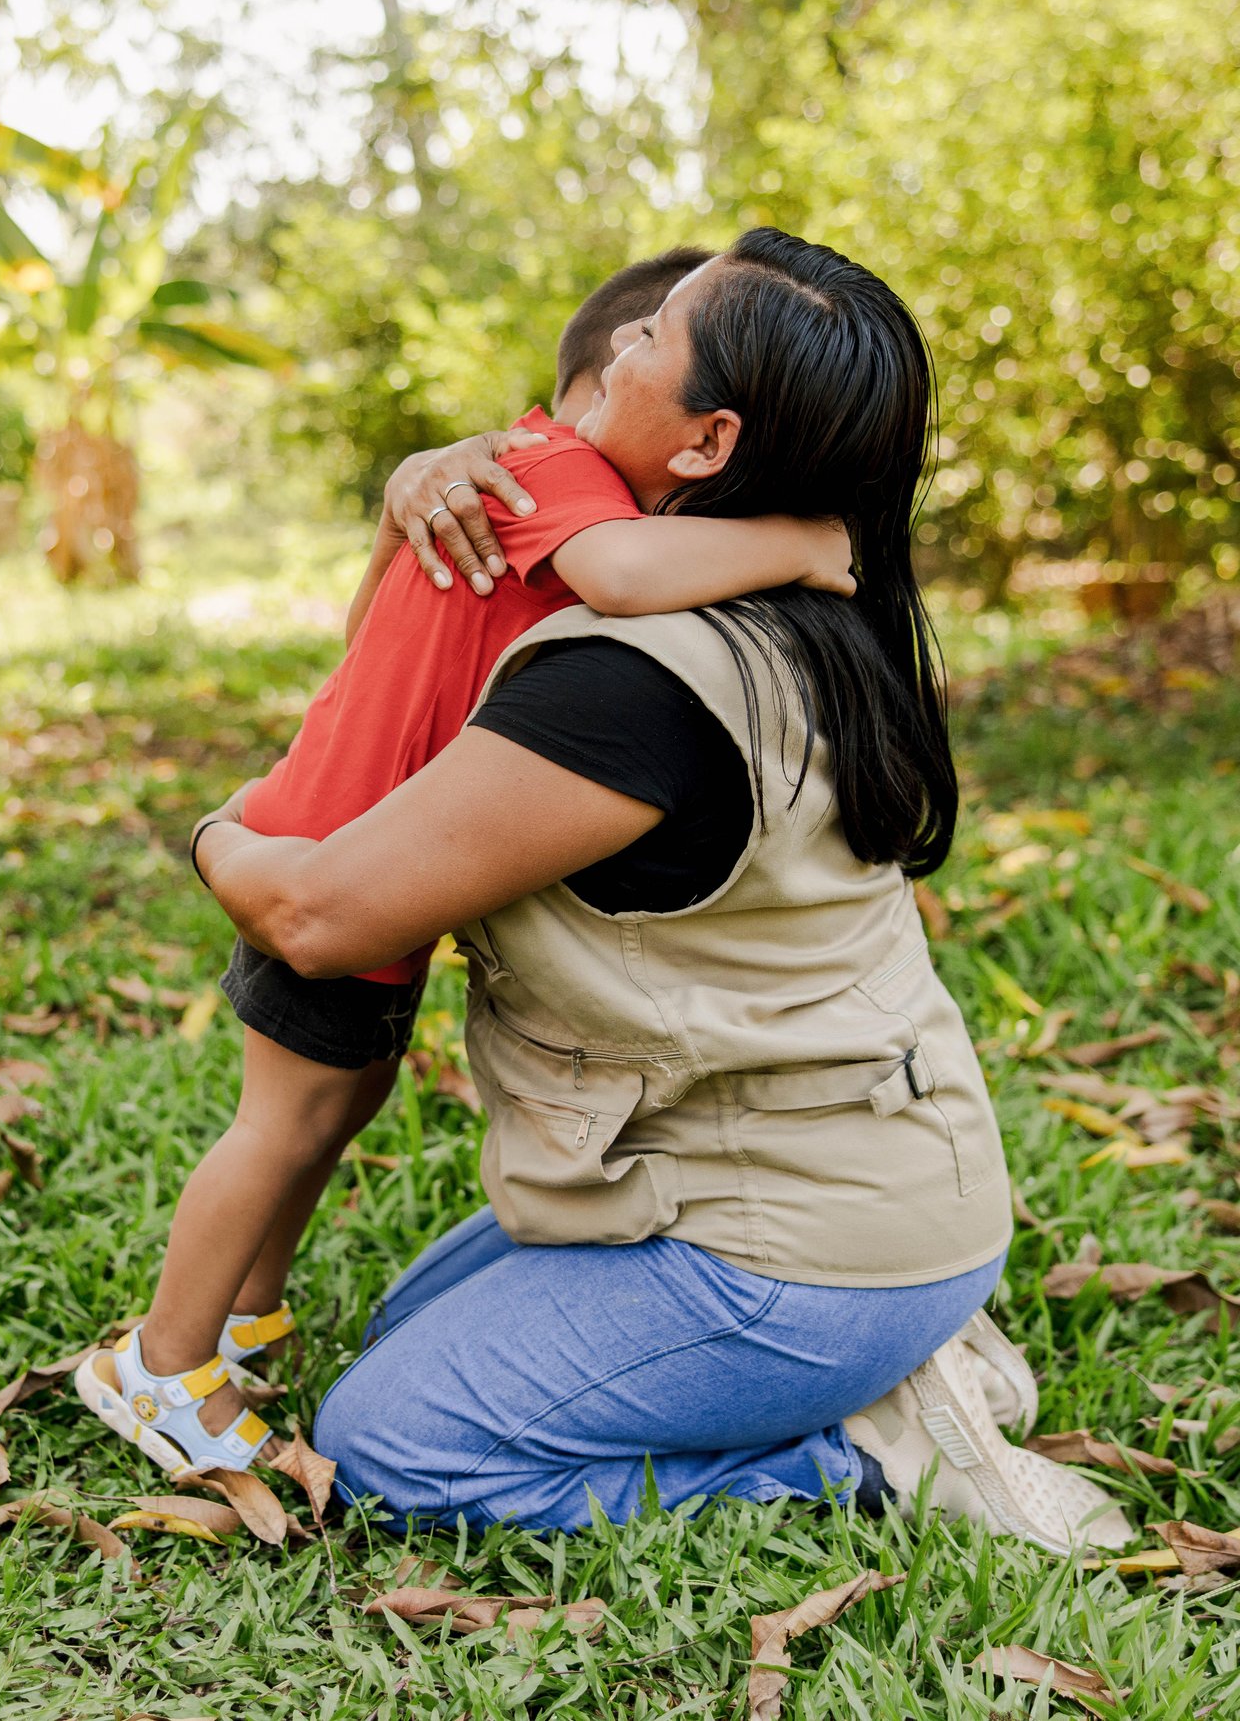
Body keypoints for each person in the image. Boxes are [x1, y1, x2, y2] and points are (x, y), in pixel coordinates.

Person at [116, 231, 1134, 1555]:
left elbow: (318, 916)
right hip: (850, 1170)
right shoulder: (816, 605)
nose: (615, 343)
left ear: (709, 444)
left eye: (653, 336)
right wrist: (411, 499)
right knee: (403, 1332)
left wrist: (213, 832)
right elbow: (413, 664)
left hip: (798, 1238)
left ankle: (863, 1451)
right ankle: (867, 1344)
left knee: (390, 1443)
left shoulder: (633, 683)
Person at [74, 247, 857, 1478]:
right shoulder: (545, 467)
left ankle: (242, 1310)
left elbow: (381, 629)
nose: (633, 357)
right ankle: (158, 1366)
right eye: (641, 339)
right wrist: (803, 544)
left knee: (342, 1098)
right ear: (609, 387)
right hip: (328, 862)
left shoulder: (517, 488)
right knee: (279, 1123)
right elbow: (624, 573)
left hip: (368, 852)